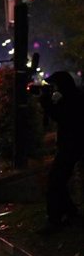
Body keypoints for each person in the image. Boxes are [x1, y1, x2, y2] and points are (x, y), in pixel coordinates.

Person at [39, 71, 84, 232]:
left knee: (54, 181)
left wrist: (46, 102)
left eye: (55, 86)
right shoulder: (72, 97)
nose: (54, 89)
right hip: (71, 146)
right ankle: (70, 212)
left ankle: (54, 220)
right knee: (59, 181)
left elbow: (61, 116)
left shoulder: (72, 100)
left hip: (71, 147)